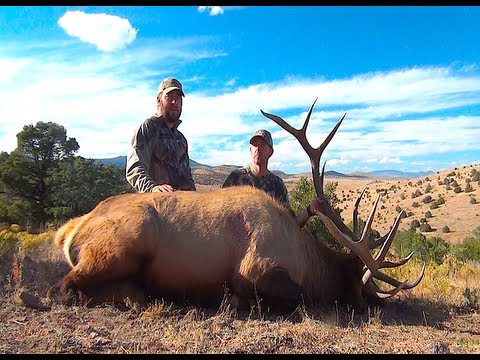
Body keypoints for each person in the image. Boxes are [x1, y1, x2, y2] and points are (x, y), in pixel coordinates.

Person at [222, 129, 318, 228]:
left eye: (262, 145)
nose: (258, 149)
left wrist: (310, 210)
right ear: (250, 151)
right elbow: (219, 213)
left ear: (270, 152)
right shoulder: (236, 178)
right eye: (255, 145)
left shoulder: (277, 184)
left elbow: (291, 226)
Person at [126, 77, 196, 193]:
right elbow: (135, 169)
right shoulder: (148, 128)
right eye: (169, 96)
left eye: (178, 97)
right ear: (159, 100)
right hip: (155, 205)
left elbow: (188, 178)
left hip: (182, 204)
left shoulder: (181, 139)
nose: (175, 102)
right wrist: (152, 189)